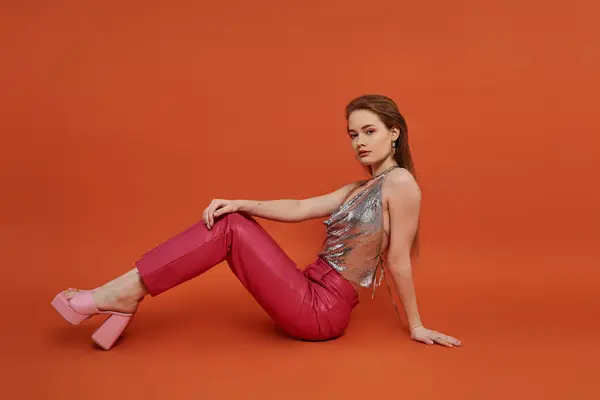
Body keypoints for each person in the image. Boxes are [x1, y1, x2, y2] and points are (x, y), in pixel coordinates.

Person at [51, 94, 462, 350]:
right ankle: (121, 299)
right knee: (235, 220)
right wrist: (239, 201)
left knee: (231, 229)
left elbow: (398, 261)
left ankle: (119, 294)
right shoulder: (357, 187)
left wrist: (417, 325)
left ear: (394, 133)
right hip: (309, 286)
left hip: (322, 310)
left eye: (369, 131)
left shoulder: (402, 183)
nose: (359, 142)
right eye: (352, 134)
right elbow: (301, 207)